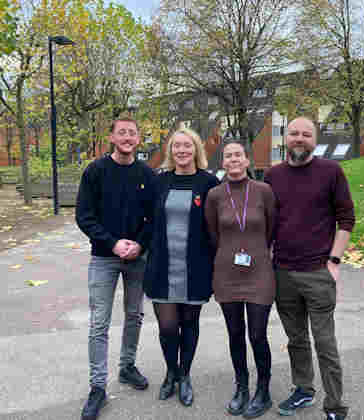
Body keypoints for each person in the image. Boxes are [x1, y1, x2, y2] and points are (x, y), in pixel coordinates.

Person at [264, 117, 356, 420]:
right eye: (294, 133)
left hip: (318, 272)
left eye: (306, 134)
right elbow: (267, 223)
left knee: (325, 343)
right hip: (283, 273)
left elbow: (346, 218)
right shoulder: (272, 176)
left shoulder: (331, 171)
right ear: (285, 138)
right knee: (297, 340)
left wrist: (335, 261)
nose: (299, 138)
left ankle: (335, 406)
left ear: (314, 140)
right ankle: (303, 389)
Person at [75, 117, 156, 420]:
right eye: (121, 132)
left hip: (137, 258)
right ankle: (98, 387)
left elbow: (154, 217)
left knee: (134, 315)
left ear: (138, 139)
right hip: (104, 257)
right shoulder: (95, 171)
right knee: (99, 322)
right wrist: (111, 243)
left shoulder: (148, 174)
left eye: (132, 133)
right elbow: (84, 216)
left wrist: (140, 245)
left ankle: (127, 366)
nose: (126, 137)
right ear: (111, 137)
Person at [143, 127, 220, 407]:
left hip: (195, 267)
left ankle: (185, 375)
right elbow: (147, 220)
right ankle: (171, 372)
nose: (182, 151)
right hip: (162, 265)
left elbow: (216, 225)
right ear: (170, 151)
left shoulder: (209, 183)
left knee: (190, 323)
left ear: (196, 149)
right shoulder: (159, 182)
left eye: (187, 146)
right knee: (167, 326)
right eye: (177, 146)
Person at [204, 141, 276, 419]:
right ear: (223, 163)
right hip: (227, 273)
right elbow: (213, 234)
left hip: (259, 272)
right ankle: (242, 387)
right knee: (235, 333)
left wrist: (254, 251)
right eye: (228, 156)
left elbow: (271, 229)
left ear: (247, 160)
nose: (233, 159)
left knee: (257, 334)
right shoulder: (214, 195)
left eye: (238, 155)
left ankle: (264, 390)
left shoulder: (264, 191)